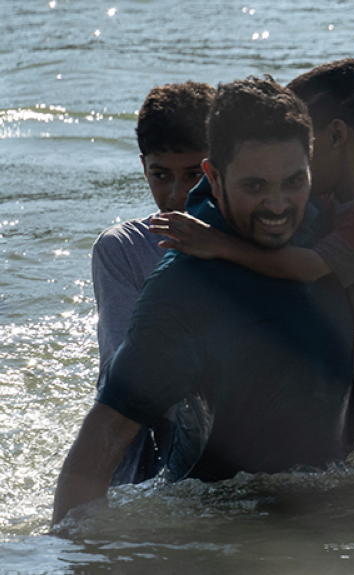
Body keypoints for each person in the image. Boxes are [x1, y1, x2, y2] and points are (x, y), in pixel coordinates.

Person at [53, 76, 354, 525]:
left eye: (293, 180)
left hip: (334, 510)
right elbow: (100, 445)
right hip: (223, 522)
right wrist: (75, 557)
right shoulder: (185, 289)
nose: (277, 205)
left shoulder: (330, 223)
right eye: (254, 186)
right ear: (215, 177)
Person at [151, 59, 354, 431]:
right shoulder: (335, 198)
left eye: (302, 144)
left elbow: (306, 266)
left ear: (335, 136)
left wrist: (216, 244)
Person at [91, 81, 214, 485]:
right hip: (151, 447)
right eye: (161, 175)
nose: (178, 194)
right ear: (144, 167)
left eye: (195, 175)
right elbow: (123, 378)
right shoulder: (122, 249)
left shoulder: (251, 238)